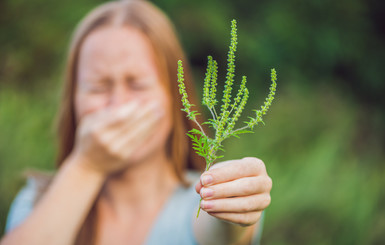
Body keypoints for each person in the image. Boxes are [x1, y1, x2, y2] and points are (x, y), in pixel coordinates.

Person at [0, 1, 272, 244]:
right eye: (98, 87)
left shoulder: (197, 200)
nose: (119, 104)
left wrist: (235, 204)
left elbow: (223, 231)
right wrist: (87, 166)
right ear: (73, 100)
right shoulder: (38, 201)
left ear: (176, 97)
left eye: (138, 85)